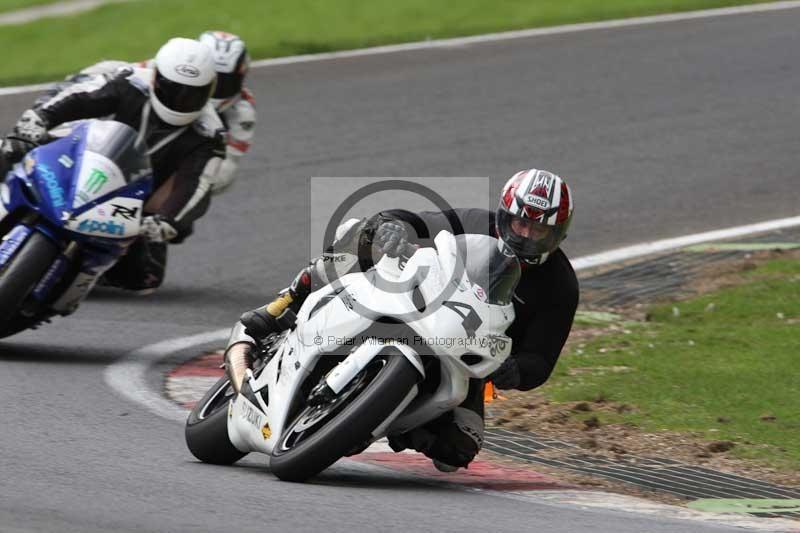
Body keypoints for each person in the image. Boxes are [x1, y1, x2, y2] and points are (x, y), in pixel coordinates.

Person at [228, 169, 579, 470]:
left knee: (458, 449)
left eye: (540, 231)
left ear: (558, 233)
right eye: (522, 223)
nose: (527, 236)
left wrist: (516, 371)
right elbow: (419, 220)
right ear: (505, 216)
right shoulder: (475, 223)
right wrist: (391, 226)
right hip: (413, 301)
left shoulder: (560, 286)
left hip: (463, 353)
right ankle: (284, 303)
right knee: (361, 236)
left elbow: (542, 359)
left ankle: (389, 421)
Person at [0, 37, 226, 293]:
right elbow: (80, 97)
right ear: (155, 78)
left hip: (130, 202)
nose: (181, 100)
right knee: (6, 150)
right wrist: (40, 118)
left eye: (192, 94)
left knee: (144, 277)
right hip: (77, 158)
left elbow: (197, 184)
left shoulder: (209, 133)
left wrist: (169, 221)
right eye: (173, 89)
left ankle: (76, 273)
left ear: (208, 91)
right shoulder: (130, 82)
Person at [30, 30, 256, 197]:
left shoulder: (242, 113)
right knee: (31, 141)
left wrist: (194, 173)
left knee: (177, 224)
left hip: (164, 170)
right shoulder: (159, 68)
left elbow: (227, 170)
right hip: (114, 141)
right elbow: (111, 78)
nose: (188, 92)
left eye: (226, 82)